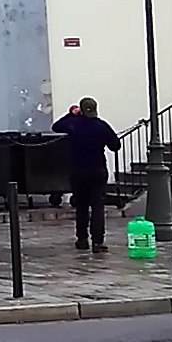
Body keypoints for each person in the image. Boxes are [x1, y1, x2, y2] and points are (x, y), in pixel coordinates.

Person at [52, 97, 120, 253]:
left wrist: (72, 114)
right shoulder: (101, 125)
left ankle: (82, 239)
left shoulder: (73, 124)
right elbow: (115, 145)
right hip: (97, 170)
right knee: (97, 207)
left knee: (81, 206)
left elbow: (56, 127)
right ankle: (98, 241)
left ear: (81, 110)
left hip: (78, 171)